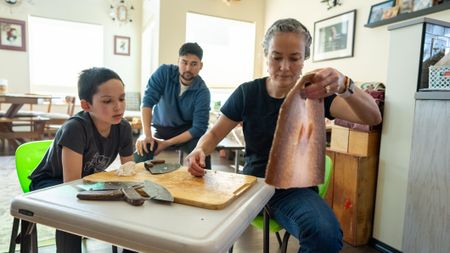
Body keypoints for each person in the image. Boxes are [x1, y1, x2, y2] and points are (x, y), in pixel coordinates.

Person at [186, 18, 382, 252]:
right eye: (277, 57)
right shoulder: (248, 93)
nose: (285, 67)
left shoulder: (317, 93)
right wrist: (199, 149)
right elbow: (216, 132)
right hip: (252, 185)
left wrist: (345, 85)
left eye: (294, 58)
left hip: (295, 190)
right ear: (265, 55)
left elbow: (373, 117)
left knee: (325, 234)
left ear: (304, 58)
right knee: (203, 226)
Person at [29, 67, 134, 253]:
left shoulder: (123, 127)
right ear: (86, 105)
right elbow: (70, 184)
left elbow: (130, 172)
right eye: (108, 101)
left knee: (132, 200)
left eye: (122, 98)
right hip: (51, 183)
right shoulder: (75, 129)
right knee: (71, 209)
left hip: (87, 181)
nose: (118, 106)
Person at [135, 42, 211, 168]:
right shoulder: (163, 72)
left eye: (193, 64)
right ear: (178, 61)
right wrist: (146, 134)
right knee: (143, 148)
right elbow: (147, 102)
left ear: (200, 66)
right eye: (184, 62)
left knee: (202, 152)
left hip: (186, 133)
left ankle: (203, 184)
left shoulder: (203, 92)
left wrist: (166, 143)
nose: (188, 68)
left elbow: (199, 128)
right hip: (159, 127)